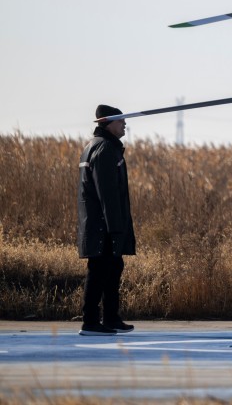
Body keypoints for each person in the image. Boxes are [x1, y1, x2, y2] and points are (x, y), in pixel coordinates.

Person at [77, 104, 136, 336]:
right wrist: (115, 228)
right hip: (104, 225)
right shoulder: (105, 149)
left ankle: (110, 318)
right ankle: (90, 321)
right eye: (120, 121)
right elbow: (107, 193)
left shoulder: (95, 146)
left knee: (112, 267)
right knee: (99, 270)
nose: (124, 124)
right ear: (108, 123)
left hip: (101, 224)